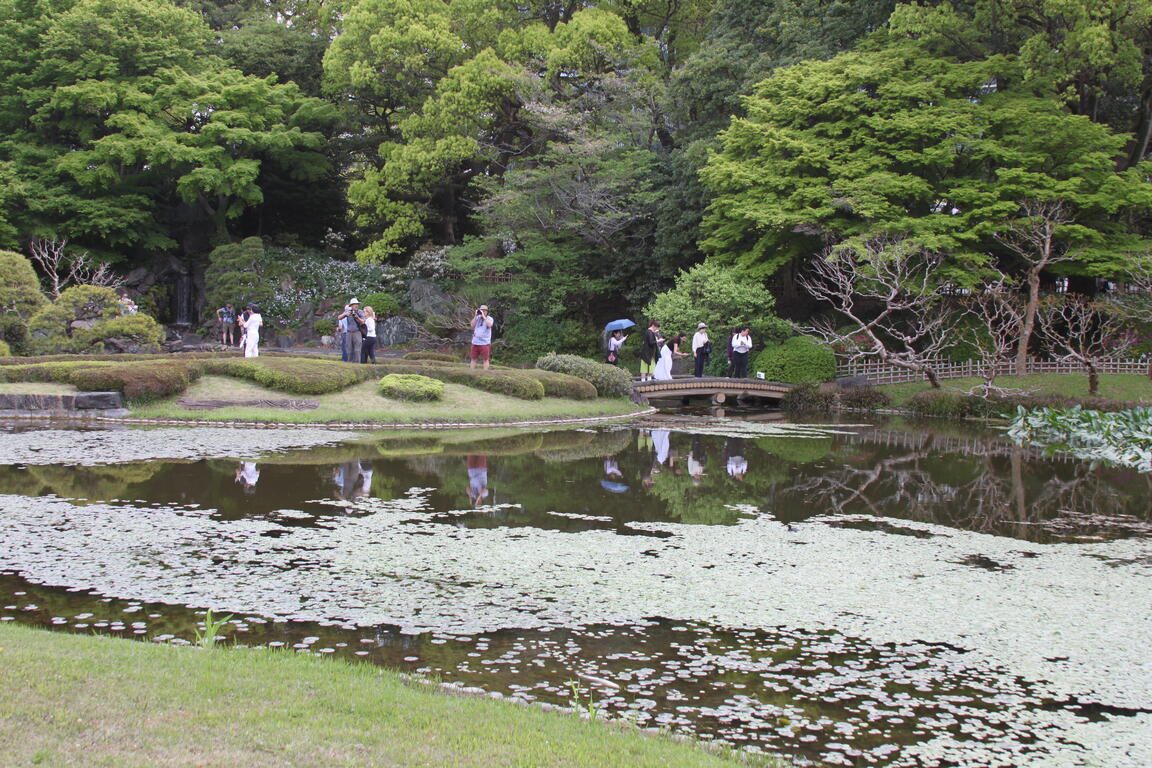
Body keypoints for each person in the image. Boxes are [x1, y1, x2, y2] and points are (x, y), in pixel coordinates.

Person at [470, 304, 495, 370]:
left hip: (484, 343)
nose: (482, 312)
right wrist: (475, 316)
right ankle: (471, 373)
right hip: (475, 342)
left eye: (484, 311)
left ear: (487, 312)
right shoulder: (477, 318)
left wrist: (484, 317)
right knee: (473, 358)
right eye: (481, 310)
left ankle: (485, 373)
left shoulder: (490, 318)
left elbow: (489, 325)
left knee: (485, 359)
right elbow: (472, 325)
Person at [339, 298, 364, 364]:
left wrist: (357, 317)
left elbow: (363, 322)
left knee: (357, 350)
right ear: (351, 305)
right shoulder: (348, 311)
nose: (356, 305)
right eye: (355, 304)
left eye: (357, 304)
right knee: (349, 350)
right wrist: (345, 314)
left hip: (357, 332)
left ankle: (357, 364)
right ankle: (349, 364)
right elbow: (339, 318)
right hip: (349, 333)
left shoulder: (360, 312)